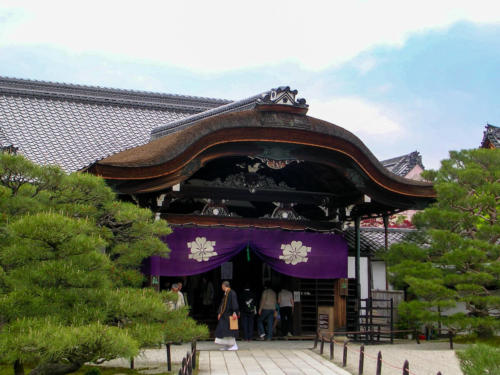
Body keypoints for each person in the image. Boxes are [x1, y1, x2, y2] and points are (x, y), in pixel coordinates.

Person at [214, 280, 239, 351]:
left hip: (230, 315)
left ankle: (234, 345)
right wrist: (219, 313)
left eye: (222, 286)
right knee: (223, 330)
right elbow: (222, 304)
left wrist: (235, 312)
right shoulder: (226, 293)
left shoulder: (232, 293)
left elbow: (234, 303)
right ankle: (227, 345)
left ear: (224, 286)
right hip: (224, 315)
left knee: (230, 331)